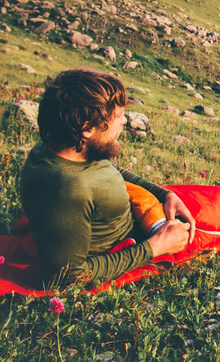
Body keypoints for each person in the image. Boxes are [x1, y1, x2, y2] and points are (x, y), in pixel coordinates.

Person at [20, 68, 194, 287]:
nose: (124, 120)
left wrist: (165, 194)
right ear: (87, 128)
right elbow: (65, 277)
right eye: (118, 116)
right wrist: (156, 247)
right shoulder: (67, 191)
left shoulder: (66, 146)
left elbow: (111, 170)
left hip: (145, 209)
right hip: (138, 237)